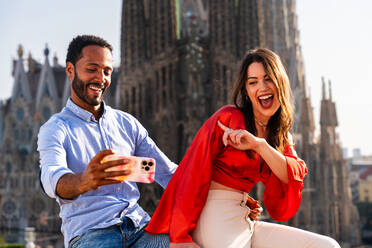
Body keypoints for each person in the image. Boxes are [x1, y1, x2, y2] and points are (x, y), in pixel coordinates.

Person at [146, 48, 341, 248]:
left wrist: (260, 145)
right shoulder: (228, 118)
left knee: (327, 245)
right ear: (246, 90)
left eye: (268, 79)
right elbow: (191, 173)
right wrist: (179, 236)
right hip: (213, 215)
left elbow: (293, 174)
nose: (262, 87)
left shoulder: (280, 135)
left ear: (280, 82)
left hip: (244, 217)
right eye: (253, 82)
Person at [37, 35, 177, 248]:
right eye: (92, 69)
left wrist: (228, 195)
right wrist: (84, 180)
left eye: (107, 71)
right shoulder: (56, 128)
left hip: (140, 228)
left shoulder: (127, 124)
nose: (101, 78)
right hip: (92, 234)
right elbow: (51, 176)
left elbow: (168, 173)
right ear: (70, 70)